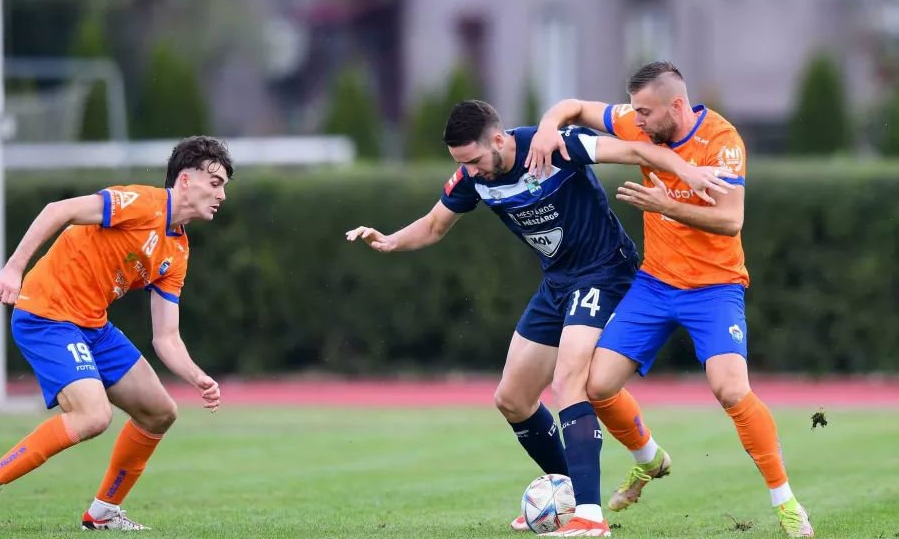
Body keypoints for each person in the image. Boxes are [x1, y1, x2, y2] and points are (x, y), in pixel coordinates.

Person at [346, 99, 731, 537]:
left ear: (498, 139)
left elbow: (637, 151)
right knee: (512, 399)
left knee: (570, 381)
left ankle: (589, 516)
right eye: (461, 164)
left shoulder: (552, 146)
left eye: (472, 160)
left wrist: (687, 170)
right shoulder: (474, 178)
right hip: (558, 285)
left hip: (605, 272)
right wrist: (389, 241)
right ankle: (568, 499)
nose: (470, 172)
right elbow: (435, 226)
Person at [527, 61, 814, 538]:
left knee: (730, 389)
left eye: (644, 112)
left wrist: (667, 207)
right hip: (655, 285)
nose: (634, 121)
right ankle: (649, 459)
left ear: (675, 106)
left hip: (715, 288)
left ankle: (785, 502)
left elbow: (730, 221)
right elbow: (574, 107)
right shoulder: (643, 120)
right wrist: (545, 128)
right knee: (597, 386)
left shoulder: (722, 142)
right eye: (633, 111)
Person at [0, 136, 233, 532]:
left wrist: (196, 375)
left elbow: (166, 337)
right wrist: (14, 267)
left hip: (91, 325)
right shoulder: (141, 203)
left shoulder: (179, 251)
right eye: (215, 182)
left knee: (159, 412)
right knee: (93, 415)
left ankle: (102, 513)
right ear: (185, 181)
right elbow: (59, 210)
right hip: (46, 313)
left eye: (224, 186)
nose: (221, 194)